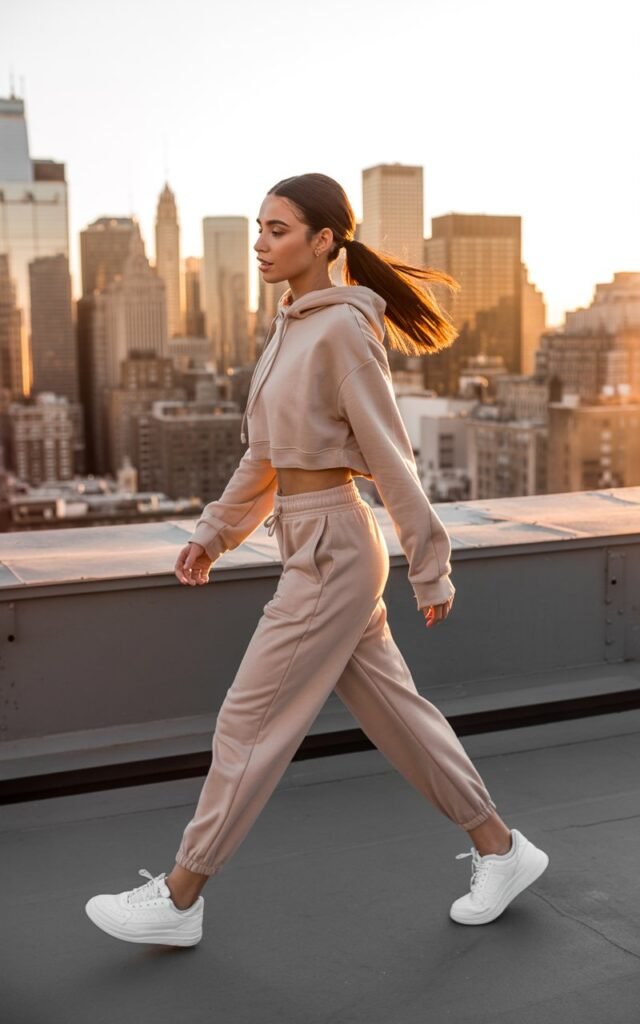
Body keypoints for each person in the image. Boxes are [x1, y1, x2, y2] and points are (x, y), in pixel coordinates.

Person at [85, 173, 548, 947]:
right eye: (259, 230)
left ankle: (180, 895)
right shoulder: (290, 329)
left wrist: (429, 563)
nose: (263, 244)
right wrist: (212, 533)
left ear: (324, 241)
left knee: (248, 721)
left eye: (278, 230)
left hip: (334, 546)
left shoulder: (340, 330)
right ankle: (501, 848)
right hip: (309, 540)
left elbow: (390, 453)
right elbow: (264, 459)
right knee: (401, 719)